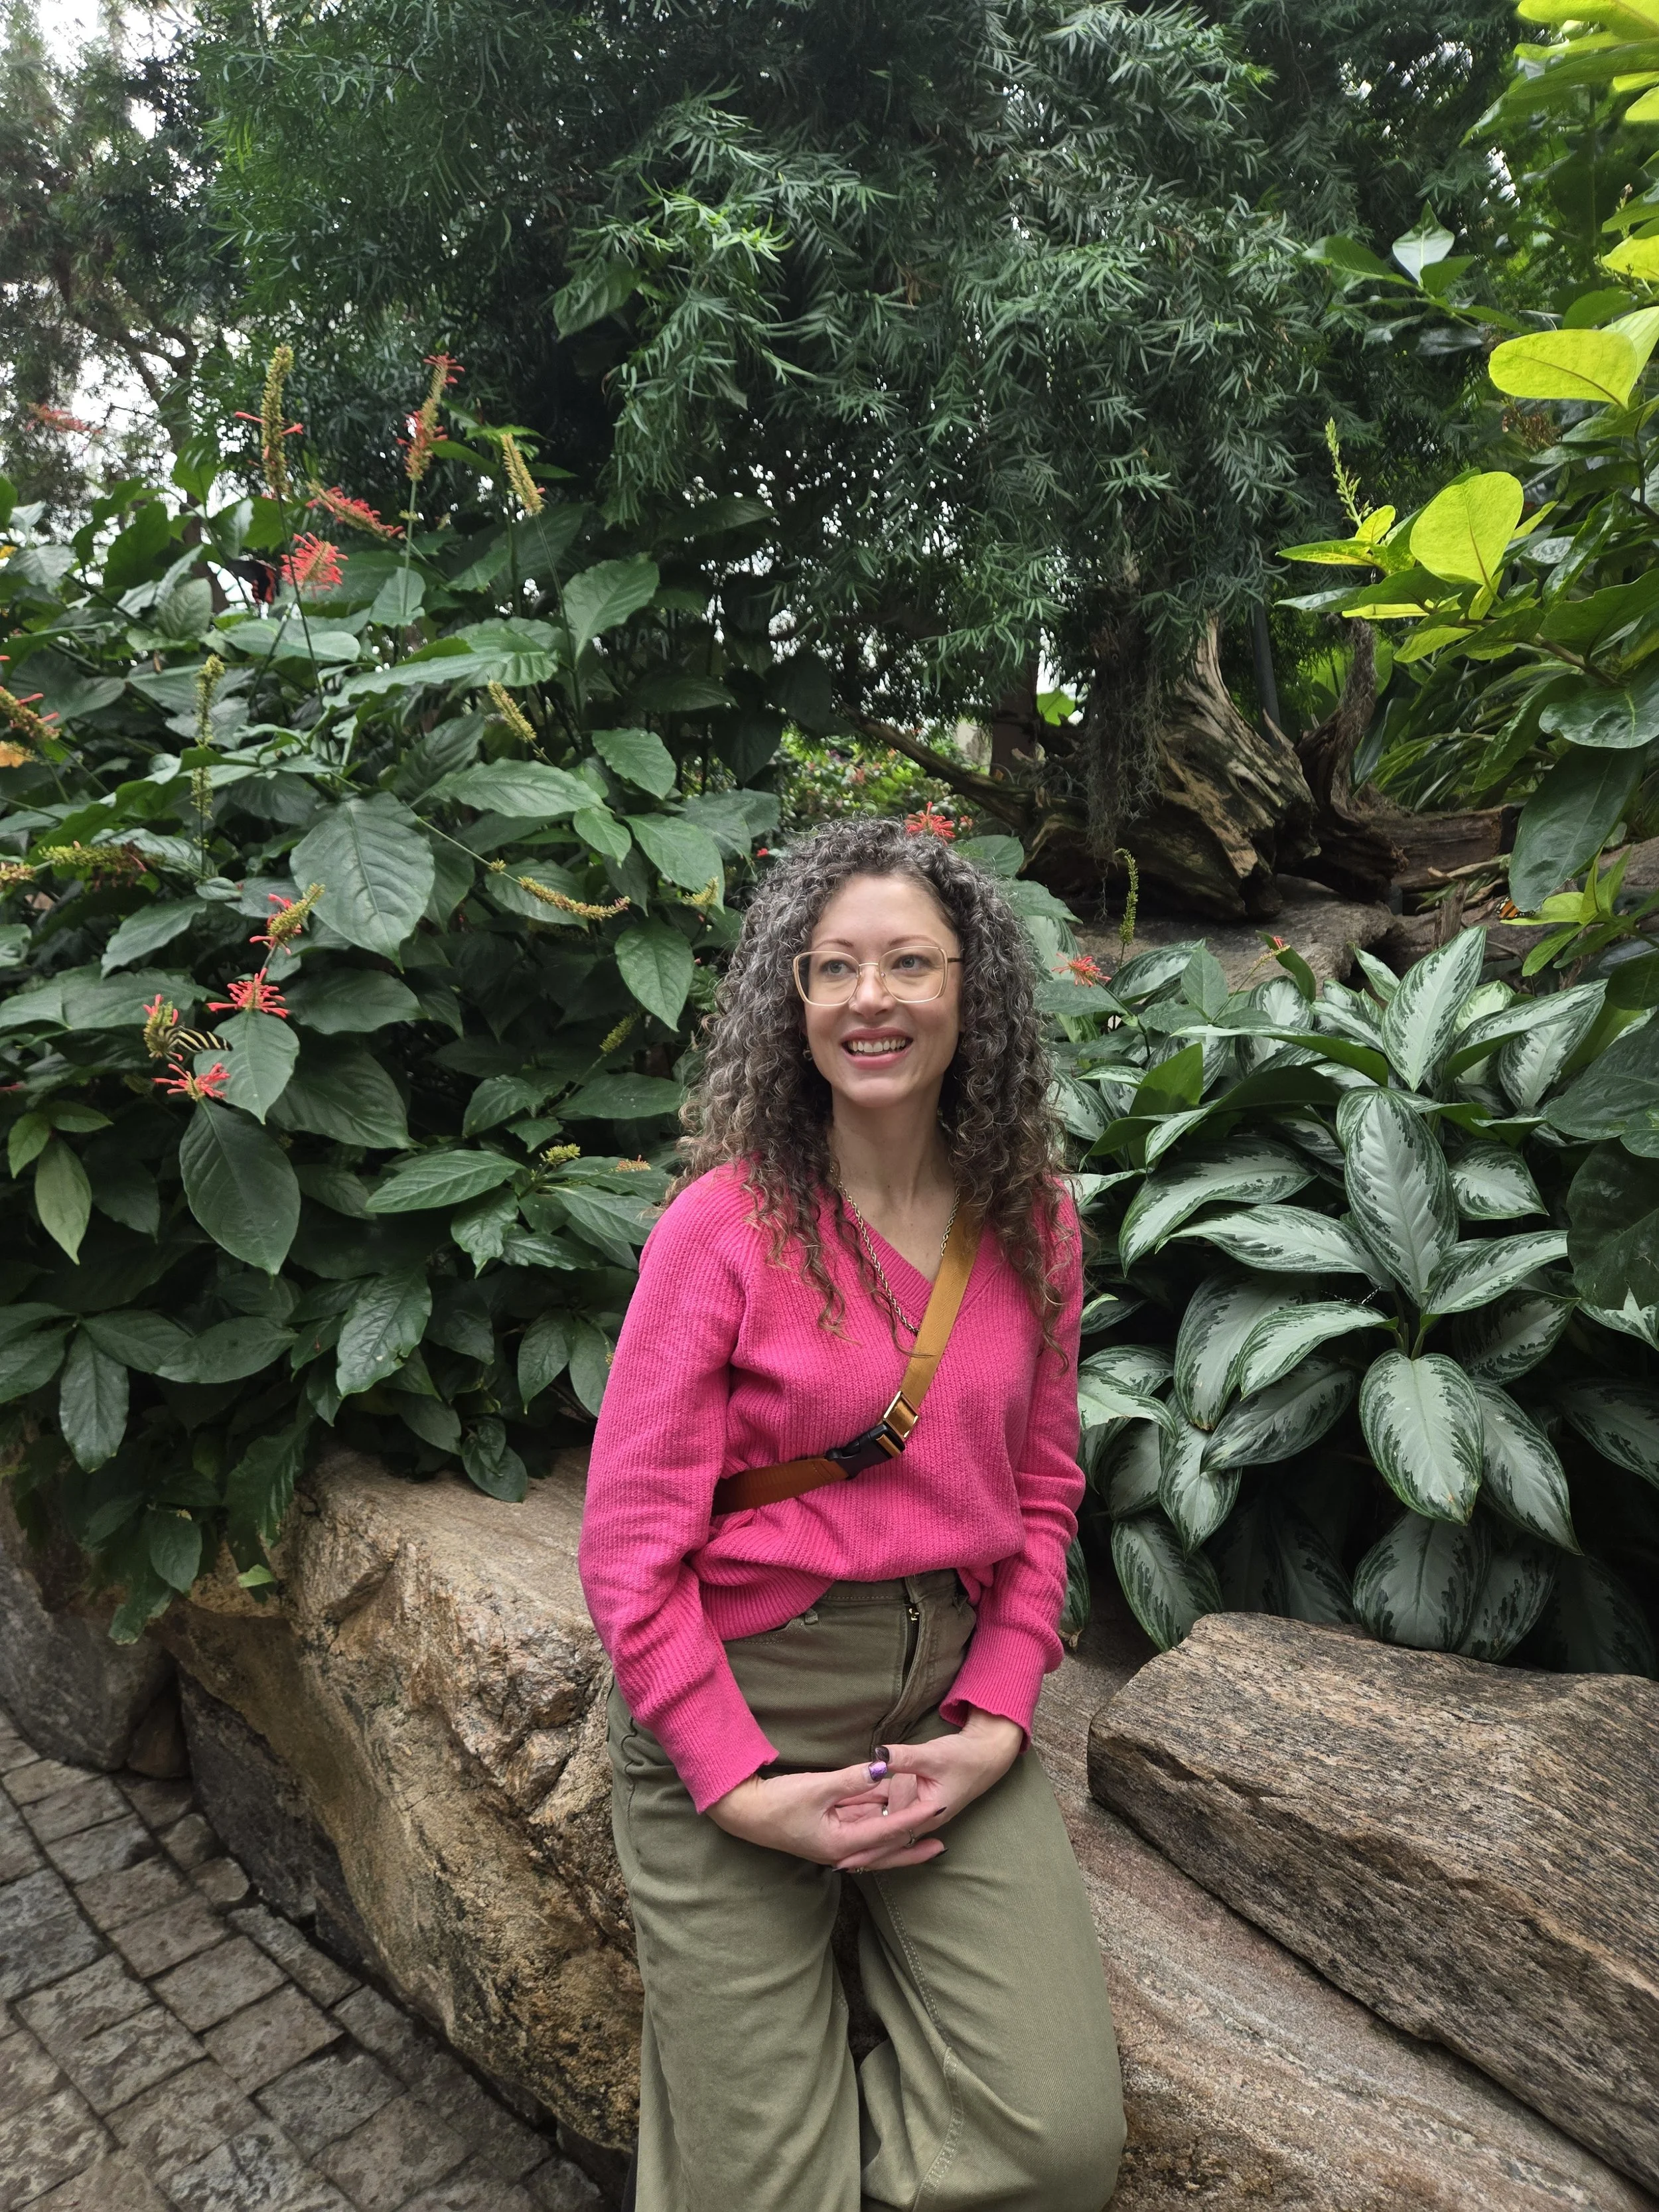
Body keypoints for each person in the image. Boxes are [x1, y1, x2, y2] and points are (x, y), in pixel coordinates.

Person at [579, 814, 1125, 2211]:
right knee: (765, 2188)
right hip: (740, 1705)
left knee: (1053, 2144)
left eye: (907, 963)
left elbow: (1044, 1486)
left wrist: (998, 1716)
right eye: (832, 968)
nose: (868, 997)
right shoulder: (722, 1227)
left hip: (939, 1711)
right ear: (794, 1002)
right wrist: (740, 1790)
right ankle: (756, 2149)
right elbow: (630, 1548)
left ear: (972, 993)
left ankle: (763, 2136)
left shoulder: (1032, 1222)